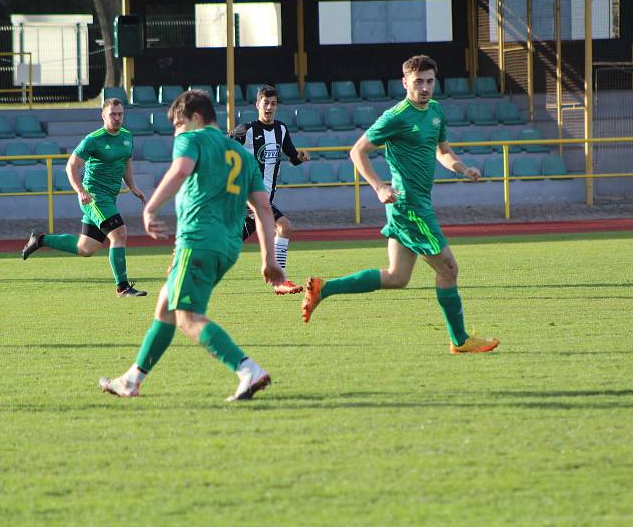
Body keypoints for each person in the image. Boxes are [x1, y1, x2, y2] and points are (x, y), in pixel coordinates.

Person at [301, 55, 500, 355]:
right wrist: (379, 186)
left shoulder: (435, 111)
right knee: (448, 268)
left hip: (416, 203)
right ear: (405, 82)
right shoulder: (395, 116)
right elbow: (357, 152)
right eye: (418, 82)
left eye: (430, 81)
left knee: (397, 278)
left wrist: (461, 168)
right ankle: (459, 340)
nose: (425, 87)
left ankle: (323, 288)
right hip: (408, 206)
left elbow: (442, 151)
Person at [99, 90, 285, 401]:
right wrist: (269, 259)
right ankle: (132, 379)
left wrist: (150, 208)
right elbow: (264, 210)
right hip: (227, 248)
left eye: (178, 125)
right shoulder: (243, 155)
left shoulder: (193, 139)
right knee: (165, 306)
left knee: (186, 316)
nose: (176, 132)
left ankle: (247, 369)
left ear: (196, 119)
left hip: (198, 240)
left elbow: (181, 169)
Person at [22, 98, 148, 297]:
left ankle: (40, 239)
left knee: (86, 248)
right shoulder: (93, 139)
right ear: (103, 116)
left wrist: (132, 186)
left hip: (110, 197)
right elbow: (71, 165)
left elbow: (126, 162)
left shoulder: (127, 136)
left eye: (120, 114)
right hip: (94, 197)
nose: (117, 118)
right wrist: (81, 191)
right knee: (119, 233)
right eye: (113, 114)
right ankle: (122, 287)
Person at [229, 85, 310, 295]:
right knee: (284, 226)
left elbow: (292, 156)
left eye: (273, 104)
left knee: (228, 244)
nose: (269, 107)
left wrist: (300, 157)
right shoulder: (246, 130)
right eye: (265, 103)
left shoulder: (281, 130)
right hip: (250, 196)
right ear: (257, 105)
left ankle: (189, 263)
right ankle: (280, 281)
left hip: (264, 198)